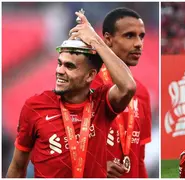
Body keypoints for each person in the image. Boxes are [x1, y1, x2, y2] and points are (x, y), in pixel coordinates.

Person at [6, 11, 136, 178]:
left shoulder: (102, 102)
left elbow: (128, 86)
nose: (59, 71)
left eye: (69, 66)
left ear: (90, 75)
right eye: (59, 63)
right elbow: (17, 167)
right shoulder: (34, 107)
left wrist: (96, 41)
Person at [90, 8, 151, 178]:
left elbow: (139, 158)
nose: (138, 43)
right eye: (129, 35)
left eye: (142, 36)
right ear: (108, 39)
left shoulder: (143, 93)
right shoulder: (89, 85)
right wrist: (96, 165)